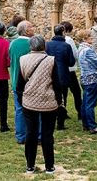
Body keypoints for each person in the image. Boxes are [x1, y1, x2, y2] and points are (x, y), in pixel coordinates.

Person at [16, 35, 62, 175]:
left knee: (31, 132)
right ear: (44, 46)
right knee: (47, 134)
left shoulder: (23, 60)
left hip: (29, 101)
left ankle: (30, 166)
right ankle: (49, 166)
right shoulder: (51, 60)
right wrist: (59, 100)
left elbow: (19, 83)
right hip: (48, 100)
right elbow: (56, 82)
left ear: (31, 46)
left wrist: (21, 97)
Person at [45, 25, 76, 130]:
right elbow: (71, 62)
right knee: (62, 98)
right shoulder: (66, 46)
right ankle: (60, 122)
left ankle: (50, 120)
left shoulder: (47, 45)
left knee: (50, 98)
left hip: (49, 74)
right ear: (63, 32)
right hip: (63, 75)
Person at [76, 29, 97, 134]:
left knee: (85, 102)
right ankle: (92, 126)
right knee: (90, 103)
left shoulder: (80, 49)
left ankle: (86, 124)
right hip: (92, 78)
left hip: (85, 77)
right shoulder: (88, 50)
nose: (92, 38)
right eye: (90, 37)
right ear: (85, 38)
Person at [9, 20, 34, 144]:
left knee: (19, 109)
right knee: (34, 109)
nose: (33, 28)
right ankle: (37, 135)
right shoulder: (31, 43)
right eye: (31, 26)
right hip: (29, 81)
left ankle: (20, 135)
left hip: (15, 80)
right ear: (26, 30)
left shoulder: (12, 44)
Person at [60, 21, 83, 122]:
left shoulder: (54, 40)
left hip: (61, 70)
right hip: (70, 70)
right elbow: (74, 54)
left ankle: (63, 113)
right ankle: (80, 113)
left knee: (63, 92)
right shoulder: (68, 40)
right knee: (76, 92)